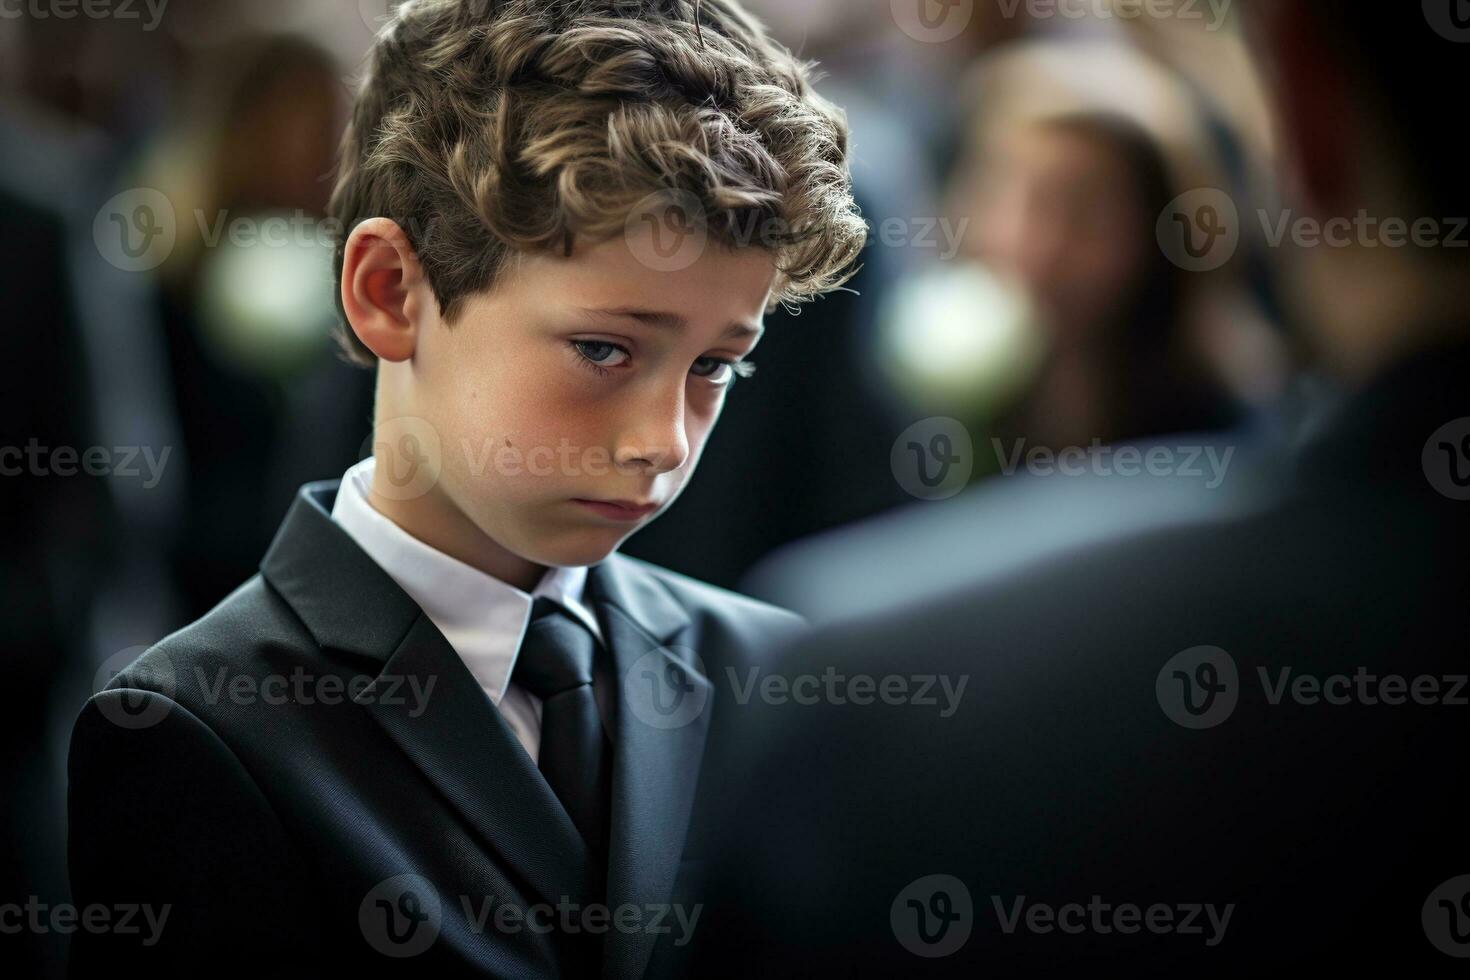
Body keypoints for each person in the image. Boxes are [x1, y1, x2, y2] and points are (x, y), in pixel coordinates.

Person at [65, 1, 864, 976]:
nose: (662, 441)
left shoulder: (771, 673)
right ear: (389, 292)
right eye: (604, 348)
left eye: (716, 367)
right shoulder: (196, 728)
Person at [690, 3, 1470, 974]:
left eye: (1080, 207)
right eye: (1007, 196)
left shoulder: (875, 697)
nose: (1034, 243)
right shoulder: (912, 421)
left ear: (1305, 120)